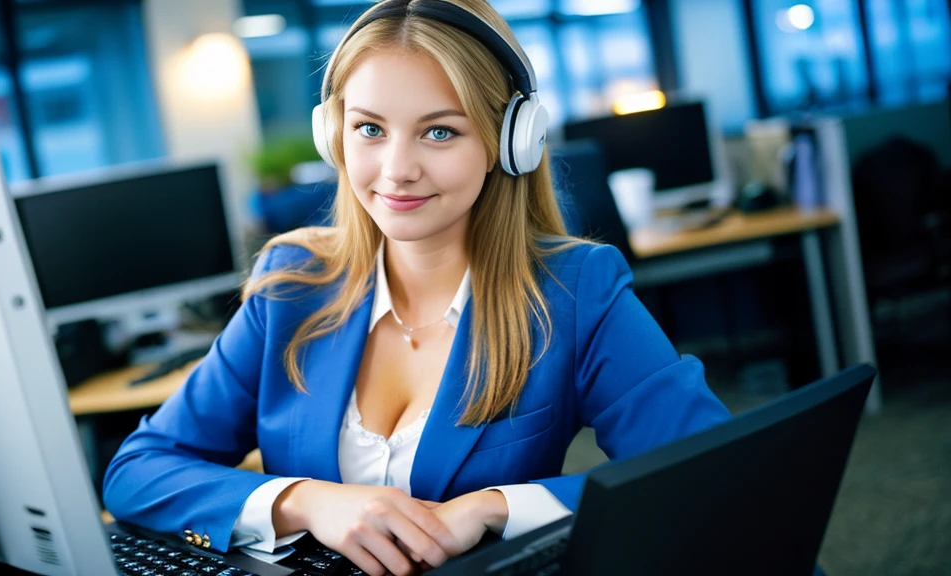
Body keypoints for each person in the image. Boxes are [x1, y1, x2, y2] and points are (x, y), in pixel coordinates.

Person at [102, 1, 731, 574]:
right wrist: (304, 501)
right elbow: (138, 470)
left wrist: (497, 507)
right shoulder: (291, 286)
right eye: (370, 128)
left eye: (439, 131)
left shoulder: (572, 293)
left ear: (510, 142)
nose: (396, 170)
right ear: (335, 136)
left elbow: (709, 470)